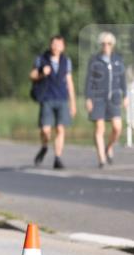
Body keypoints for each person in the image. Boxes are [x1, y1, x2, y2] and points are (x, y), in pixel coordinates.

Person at [30, 35, 76, 169]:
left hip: (62, 98)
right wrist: (41, 73)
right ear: (50, 45)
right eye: (54, 44)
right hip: (47, 98)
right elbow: (31, 75)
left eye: (58, 44)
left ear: (63, 47)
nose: (55, 47)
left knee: (60, 129)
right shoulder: (41, 59)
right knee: (45, 130)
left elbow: (69, 82)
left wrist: (72, 103)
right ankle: (44, 146)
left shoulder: (66, 61)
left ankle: (57, 157)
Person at [85, 31, 128, 168]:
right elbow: (89, 80)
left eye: (109, 43)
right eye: (104, 44)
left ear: (113, 45)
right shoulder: (95, 60)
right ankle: (102, 159)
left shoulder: (118, 60)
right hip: (98, 97)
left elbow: (122, 79)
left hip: (114, 97)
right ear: (100, 45)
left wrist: (125, 95)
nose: (106, 46)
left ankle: (108, 147)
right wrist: (88, 98)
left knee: (117, 127)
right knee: (99, 127)